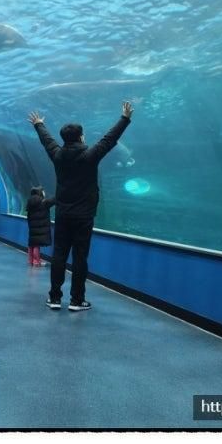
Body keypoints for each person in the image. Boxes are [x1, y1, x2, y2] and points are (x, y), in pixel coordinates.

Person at [28, 100, 134, 312]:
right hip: (84, 215)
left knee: (59, 255)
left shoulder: (57, 155)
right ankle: (77, 300)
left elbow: (47, 141)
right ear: (81, 137)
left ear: (64, 139)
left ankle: (55, 298)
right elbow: (109, 139)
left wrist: (38, 124)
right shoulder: (90, 156)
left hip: (64, 214)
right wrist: (125, 118)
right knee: (80, 257)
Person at [26, 186, 56, 267]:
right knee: (37, 245)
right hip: (40, 227)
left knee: (32, 243)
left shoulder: (29, 202)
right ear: (40, 192)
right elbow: (54, 200)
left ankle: (31, 261)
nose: (44, 193)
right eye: (43, 191)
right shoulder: (43, 202)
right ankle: (36, 262)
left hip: (32, 227)